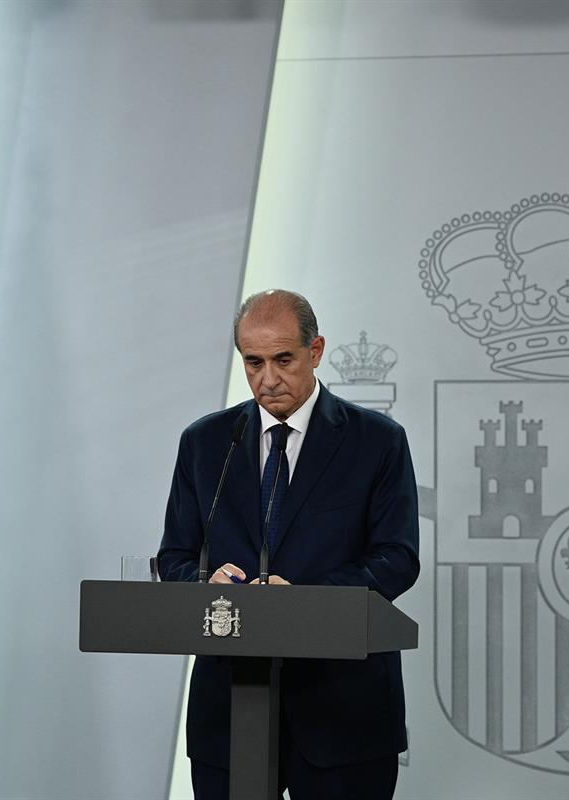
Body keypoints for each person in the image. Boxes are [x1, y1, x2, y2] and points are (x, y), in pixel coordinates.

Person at [157, 289, 420, 800]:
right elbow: (176, 556)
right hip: (229, 713)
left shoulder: (377, 441)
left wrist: (301, 597)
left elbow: (396, 558)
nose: (268, 378)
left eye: (283, 360)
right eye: (253, 363)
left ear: (315, 352)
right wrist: (205, 582)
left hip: (343, 711)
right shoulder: (206, 442)